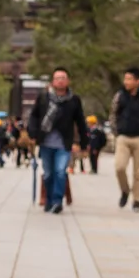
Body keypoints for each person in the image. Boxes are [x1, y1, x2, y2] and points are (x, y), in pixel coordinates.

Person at [28, 67, 88, 214]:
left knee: (60, 171)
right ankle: (48, 199)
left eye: (63, 78)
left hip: (63, 142)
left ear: (68, 81)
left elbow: (80, 121)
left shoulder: (74, 100)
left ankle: (57, 201)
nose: (60, 80)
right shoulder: (44, 97)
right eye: (57, 78)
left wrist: (82, 142)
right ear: (53, 81)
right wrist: (33, 132)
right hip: (45, 141)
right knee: (48, 173)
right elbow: (34, 116)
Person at [110, 67, 139, 212]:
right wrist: (116, 132)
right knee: (119, 167)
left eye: (129, 79)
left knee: (138, 172)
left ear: (138, 81)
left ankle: (136, 200)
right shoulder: (120, 96)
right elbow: (113, 113)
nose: (126, 82)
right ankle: (125, 190)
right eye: (125, 79)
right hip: (123, 137)